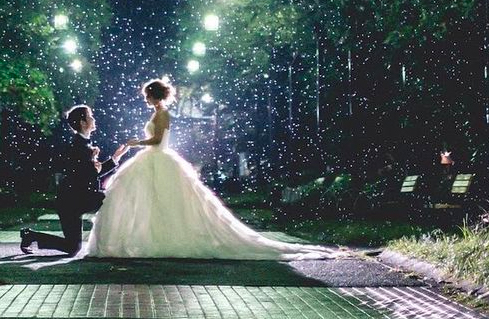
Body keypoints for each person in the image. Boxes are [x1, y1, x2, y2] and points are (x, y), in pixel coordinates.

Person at [83, 78, 338, 260]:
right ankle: (150, 237)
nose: (145, 99)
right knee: (150, 200)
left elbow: (159, 140)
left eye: (147, 95)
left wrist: (136, 142)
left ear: (154, 96)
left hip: (158, 158)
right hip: (152, 160)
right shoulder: (157, 113)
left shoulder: (162, 115)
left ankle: (164, 239)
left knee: (164, 200)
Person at [20, 105, 128, 255]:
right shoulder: (77, 146)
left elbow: (93, 172)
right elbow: (84, 173)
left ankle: (30, 235)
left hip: (81, 197)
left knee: (73, 246)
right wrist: (93, 165)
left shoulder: (84, 144)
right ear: (83, 123)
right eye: (90, 116)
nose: (93, 119)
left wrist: (115, 158)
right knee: (73, 248)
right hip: (70, 201)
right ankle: (30, 236)